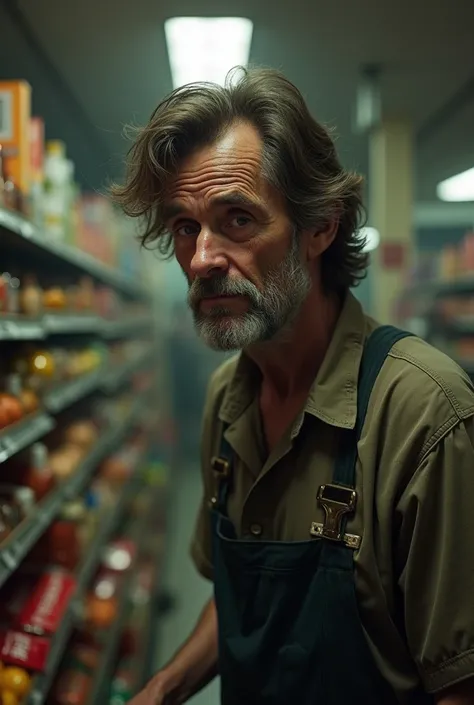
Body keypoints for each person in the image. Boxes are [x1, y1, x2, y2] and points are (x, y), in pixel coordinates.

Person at [113, 67, 474, 704]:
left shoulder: (422, 413)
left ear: (320, 227)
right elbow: (243, 599)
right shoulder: (227, 399)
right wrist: (164, 687)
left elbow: (458, 685)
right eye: (185, 227)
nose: (200, 259)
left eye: (238, 220)